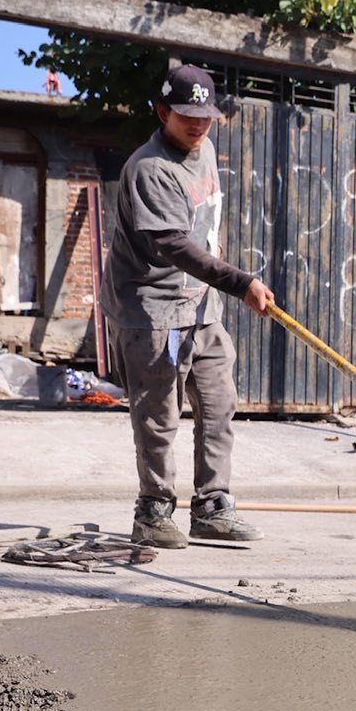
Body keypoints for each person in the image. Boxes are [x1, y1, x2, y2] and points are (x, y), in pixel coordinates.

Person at [104, 63, 274, 549]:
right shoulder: (149, 169)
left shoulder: (205, 150)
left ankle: (212, 506)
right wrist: (241, 283)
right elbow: (175, 245)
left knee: (220, 407)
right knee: (160, 417)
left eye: (205, 116)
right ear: (162, 112)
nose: (197, 125)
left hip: (202, 309)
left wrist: (224, 289)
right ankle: (153, 511)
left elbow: (206, 231)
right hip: (154, 312)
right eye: (186, 117)